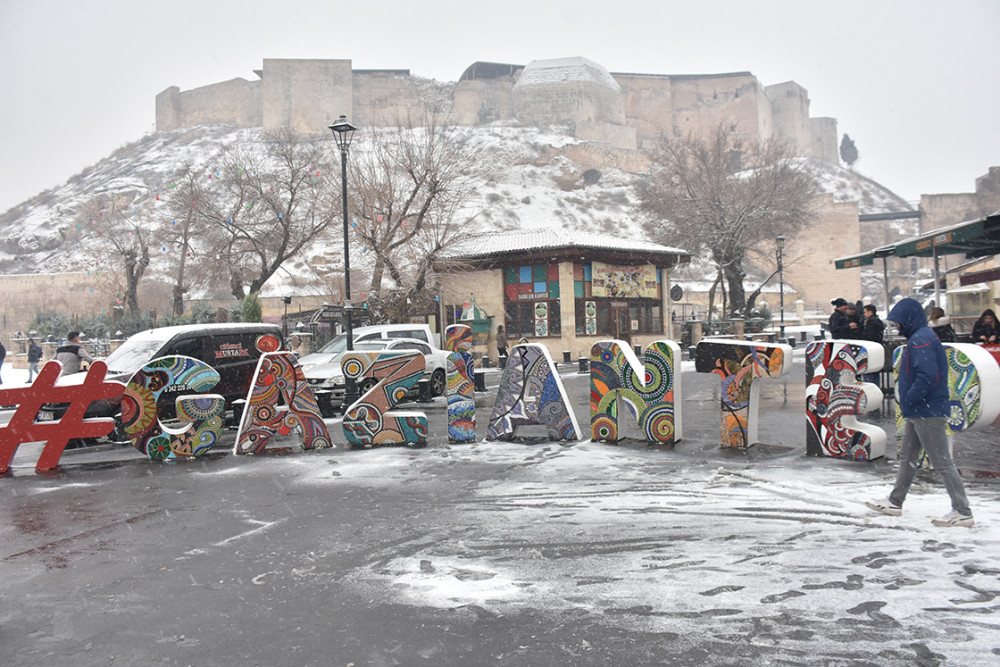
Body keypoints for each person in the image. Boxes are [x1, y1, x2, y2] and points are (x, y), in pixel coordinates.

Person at [866, 297, 974, 527]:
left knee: (942, 462)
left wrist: (910, 398)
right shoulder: (920, 337)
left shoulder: (921, 340)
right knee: (907, 458)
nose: (896, 326)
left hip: (926, 410)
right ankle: (895, 501)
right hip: (920, 410)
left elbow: (928, 376)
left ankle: (962, 510)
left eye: (897, 322)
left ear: (908, 318)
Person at [861, 305, 885, 385]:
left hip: (870, 350)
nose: (864, 314)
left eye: (865, 312)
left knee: (868, 373)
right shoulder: (878, 321)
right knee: (875, 373)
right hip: (877, 350)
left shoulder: (870, 322)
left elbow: (869, 336)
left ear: (870, 312)